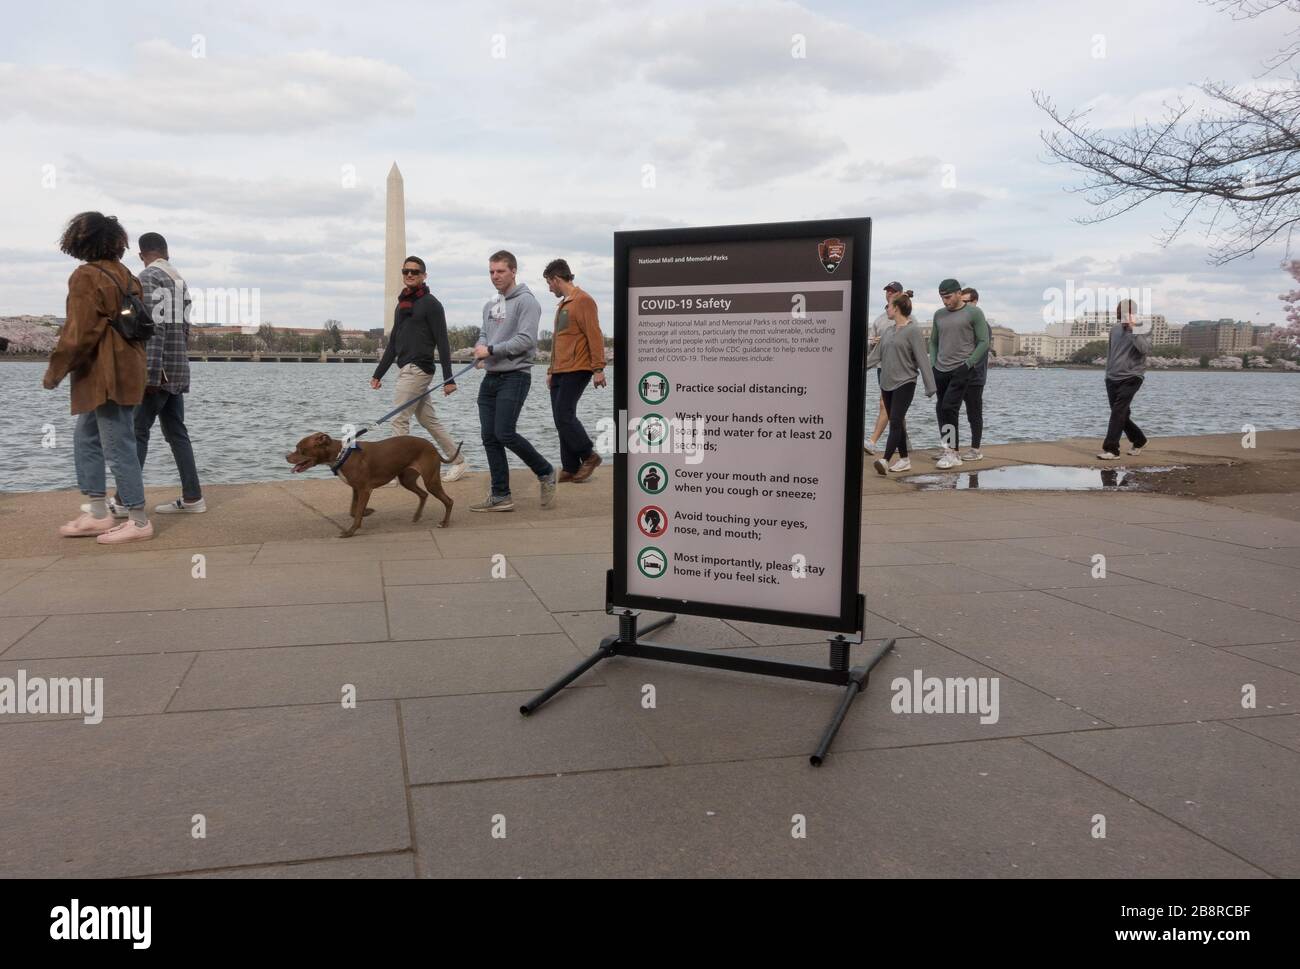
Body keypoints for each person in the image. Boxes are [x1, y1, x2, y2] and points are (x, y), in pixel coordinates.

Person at [42, 212, 153, 545]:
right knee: (87, 438)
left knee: (117, 444)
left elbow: (78, 334)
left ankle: (138, 519)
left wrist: (54, 373)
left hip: (104, 373)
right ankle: (98, 512)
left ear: (78, 241)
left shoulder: (86, 277)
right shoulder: (127, 275)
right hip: (128, 367)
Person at [471, 250, 557, 511]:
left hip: (516, 376)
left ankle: (545, 471)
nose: (495, 276)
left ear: (513, 271)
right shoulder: (490, 304)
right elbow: (484, 334)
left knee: (504, 432)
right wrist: (480, 349)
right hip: (491, 377)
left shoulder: (526, 302)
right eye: (491, 272)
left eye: (500, 271)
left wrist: (492, 351)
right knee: (489, 436)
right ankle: (501, 495)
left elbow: (526, 340)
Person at [371, 255, 467, 482]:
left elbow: (443, 342)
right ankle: (459, 461)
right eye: (406, 271)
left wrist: (449, 379)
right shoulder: (402, 304)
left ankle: (395, 472)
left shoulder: (431, 304)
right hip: (406, 368)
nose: (410, 275)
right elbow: (394, 342)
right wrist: (378, 374)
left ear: (424, 276)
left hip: (418, 368)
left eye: (415, 271)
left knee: (399, 419)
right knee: (428, 420)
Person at [130, 232, 206, 514]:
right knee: (177, 433)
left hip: (158, 372)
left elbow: (154, 328)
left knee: (136, 432)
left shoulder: (148, 277)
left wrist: (149, 375)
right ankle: (192, 497)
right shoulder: (178, 280)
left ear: (141, 254)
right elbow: (183, 330)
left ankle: (126, 500)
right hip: (177, 368)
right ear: (166, 251)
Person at [543, 258, 606, 483]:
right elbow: (558, 341)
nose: (549, 289)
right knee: (560, 418)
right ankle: (570, 467)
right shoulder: (564, 304)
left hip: (578, 368)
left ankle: (589, 455)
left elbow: (594, 334)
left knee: (564, 414)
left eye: (549, 284)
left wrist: (598, 368)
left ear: (557, 279)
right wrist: (551, 370)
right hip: (559, 370)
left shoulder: (584, 301)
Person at [867, 291, 936, 474]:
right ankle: (905, 460)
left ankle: (885, 460)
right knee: (897, 423)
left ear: (896, 308)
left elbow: (922, 358)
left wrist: (930, 386)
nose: (886, 309)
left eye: (888, 306)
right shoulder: (888, 331)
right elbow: (874, 357)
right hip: (886, 383)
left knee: (895, 421)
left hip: (906, 382)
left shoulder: (913, 330)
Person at [929, 277, 990, 469]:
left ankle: (953, 454)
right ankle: (948, 449)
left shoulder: (974, 313)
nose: (945, 301)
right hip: (940, 368)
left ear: (958, 293)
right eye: (942, 298)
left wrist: (969, 363)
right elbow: (933, 341)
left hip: (962, 369)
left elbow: (983, 342)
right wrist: (933, 363)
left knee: (949, 407)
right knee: (941, 409)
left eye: (948, 297)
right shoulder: (939, 314)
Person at [1098, 298, 1151, 460]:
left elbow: (1144, 349)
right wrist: (1107, 374)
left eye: (1126, 311)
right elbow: (1111, 352)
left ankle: (1112, 449)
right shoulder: (1114, 329)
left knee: (1118, 411)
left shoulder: (1143, 327)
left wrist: (1132, 330)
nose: (1122, 313)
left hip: (1132, 376)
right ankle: (1139, 440)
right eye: (1120, 310)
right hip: (1112, 377)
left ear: (1133, 312)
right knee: (1121, 414)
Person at [864, 280, 903, 453]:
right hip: (882, 366)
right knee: (896, 408)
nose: (889, 293)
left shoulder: (906, 317)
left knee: (885, 404)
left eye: (893, 291)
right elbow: (869, 341)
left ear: (900, 294)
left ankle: (872, 442)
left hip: (900, 367)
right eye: (887, 291)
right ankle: (904, 445)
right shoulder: (879, 319)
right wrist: (873, 341)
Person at [957, 286, 987, 463]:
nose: (964, 305)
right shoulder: (961, 323)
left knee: (973, 414)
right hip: (956, 375)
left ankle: (975, 449)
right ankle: (949, 448)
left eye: (966, 302)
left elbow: (981, 351)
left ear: (975, 302)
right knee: (948, 411)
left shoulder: (982, 324)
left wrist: (968, 366)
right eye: (962, 302)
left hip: (975, 378)